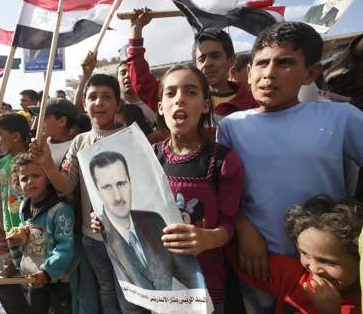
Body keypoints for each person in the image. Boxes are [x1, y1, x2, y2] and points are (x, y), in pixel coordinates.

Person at [216, 22, 363, 312]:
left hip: (327, 270)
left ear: (311, 72)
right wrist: (245, 230)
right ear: (249, 71)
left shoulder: (341, 117)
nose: (268, 73)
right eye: (261, 63)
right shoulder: (231, 127)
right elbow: (224, 191)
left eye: (284, 63)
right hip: (260, 264)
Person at [31, 74, 125, 314]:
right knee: (106, 290)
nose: (99, 103)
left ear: (118, 104)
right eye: (93, 97)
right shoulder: (79, 142)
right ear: (84, 103)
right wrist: (47, 165)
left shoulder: (131, 138)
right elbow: (66, 186)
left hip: (127, 240)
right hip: (93, 241)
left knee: (129, 297)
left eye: (106, 97)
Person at [155, 64, 244, 312]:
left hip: (207, 284)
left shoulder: (223, 161)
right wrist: (105, 219)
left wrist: (209, 237)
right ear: (161, 107)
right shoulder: (150, 157)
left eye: (191, 92)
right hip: (162, 283)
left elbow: (230, 222)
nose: (180, 99)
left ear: (205, 105)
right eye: (170, 93)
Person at [227, 196, 362, 314]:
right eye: (305, 253)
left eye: (328, 261)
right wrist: (242, 227)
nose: (314, 268)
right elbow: (231, 251)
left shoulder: (359, 304)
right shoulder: (292, 276)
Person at [89, 151, 201, 291]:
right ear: (97, 190)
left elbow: (187, 274)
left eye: (121, 184)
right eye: (107, 187)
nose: (117, 197)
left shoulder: (153, 220)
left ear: (130, 181)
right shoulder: (101, 228)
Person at [126, 9, 257, 125]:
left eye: (215, 56)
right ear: (195, 64)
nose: (208, 63)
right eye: (202, 58)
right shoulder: (180, 99)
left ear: (231, 60)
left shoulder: (252, 103)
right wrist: (136, 31)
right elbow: (142, 84)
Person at [7, 154, 76, 313]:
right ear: (18, 184)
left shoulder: (60, 211)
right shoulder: (24, 207)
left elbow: (66, 248)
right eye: (24, 179)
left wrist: (47, 273)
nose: (30, 181)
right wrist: (19, 241)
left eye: (36, 176)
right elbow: (29, 239)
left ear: (49, 178)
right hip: (32, 277)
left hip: (55, 281)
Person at [0, 112, 30, 276]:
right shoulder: (2, 163)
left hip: (28, 229)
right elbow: (3, 195)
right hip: (10, 226)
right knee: (20, 268)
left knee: (33, 266)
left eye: (0, 135)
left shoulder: (30, 160)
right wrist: (2, 222)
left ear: (16, 136)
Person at [28, 98, 79, 167]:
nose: (40, 122)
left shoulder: (72, 149)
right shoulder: (43, 142)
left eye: (44, 117)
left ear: (62, 121)